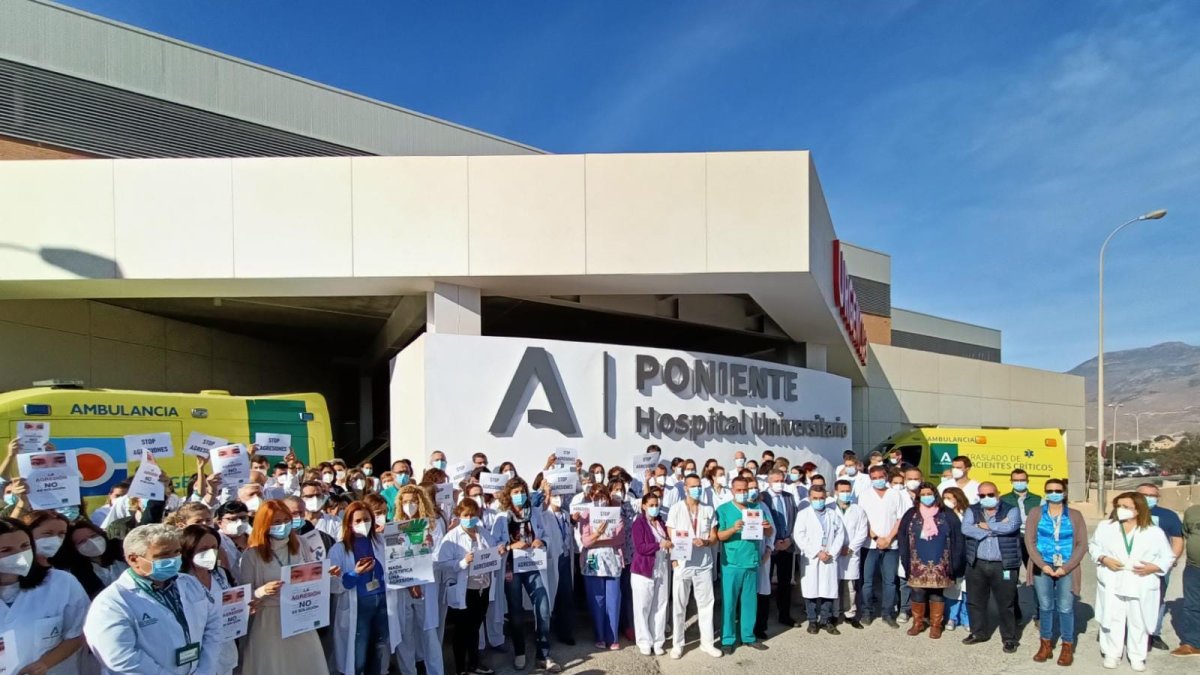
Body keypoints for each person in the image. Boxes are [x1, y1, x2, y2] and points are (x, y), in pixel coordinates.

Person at [85, 523, 222, 674]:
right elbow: (121, 658)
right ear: (133, 559)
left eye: (177, 552)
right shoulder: (111, 603)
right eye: (164, 555)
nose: (174, 559)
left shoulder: (190, 584)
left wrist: (205, 670)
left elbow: (213, 627)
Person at [238, 499, 333, 675]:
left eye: (286, 521)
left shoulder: (301, 544)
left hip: (300, 615)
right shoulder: (252, 555)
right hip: (270, 620)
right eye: (277, 522)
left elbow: (311, 574)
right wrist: (262, 591)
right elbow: (245, 595)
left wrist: (325, 573)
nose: (283, 526)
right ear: (265, 525)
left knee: (305, 664)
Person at [1090, 491, 1175, 671]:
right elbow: (1093, 546)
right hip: (1113, 578)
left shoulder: (1154, 532)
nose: (1121, 510)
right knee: (1112, 618)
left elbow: (1168, 556)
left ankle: (1137, 656)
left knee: (1139, 620)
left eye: (1126, 507)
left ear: (1138, 510)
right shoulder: (1106, 526)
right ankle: (1112, 653)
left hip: (1140, 581)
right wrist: (1103, 558)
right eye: (1118, 506)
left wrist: (1155, 567)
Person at [0, 516, 87, 674]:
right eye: (6, 550)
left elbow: (78, 633)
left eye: (25, 546)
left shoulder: (61, 583)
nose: (20, 555)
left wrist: (44, 664)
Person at [493, 479, 558, 673]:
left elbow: (545, 536)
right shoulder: (502, 517)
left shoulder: (534, 513)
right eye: (515, 492)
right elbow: (496, 545)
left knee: (543, 608)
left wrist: (541, 542)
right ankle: (520, 652)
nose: (519, 495)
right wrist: (511, 546)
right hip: (512, 569)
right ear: (508, 495)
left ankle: (543, 655)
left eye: (522, 491)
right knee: (515, 611)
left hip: (533, 565)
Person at [1025, 478, 1088, 666]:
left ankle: (1067, 646)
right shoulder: (1036, 513)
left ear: (1064, 492)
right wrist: (1042, 564)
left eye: (1057, 490)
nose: (1054, 493)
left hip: (1066, 566)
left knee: (1065, 607)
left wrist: (1065, 567)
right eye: (1050, 490)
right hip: (1042, 565)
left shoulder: (1075, 515)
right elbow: (1030, 541)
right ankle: (1045, 644)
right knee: (1045, 606)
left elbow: (1082, 544)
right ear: (1045, 492)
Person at [437, 498, 503, 675]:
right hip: (465, 589)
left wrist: (499, 551)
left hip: (484, 586)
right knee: (461, 631)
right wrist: (462, 562)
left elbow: (492, 550)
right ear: (459, 515)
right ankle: (460, 669)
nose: (470, 518)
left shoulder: (483, 532)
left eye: (473, 515)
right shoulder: (452, 537)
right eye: (466, 515)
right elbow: (441, 563)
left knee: (475, 627)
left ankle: (474, 664)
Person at [330, 501, 392, 675]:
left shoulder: (380, 541)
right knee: (359, 655)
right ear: (349, 523)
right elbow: (335, 585)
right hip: (358, 606)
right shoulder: (339, 549)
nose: (363, 524)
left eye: (366, 519)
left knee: (378, 649)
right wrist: (355, 573)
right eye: (357, 520)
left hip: (382, 602)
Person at [897, 482, 964, 640]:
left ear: (935, 495)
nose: (927, 497)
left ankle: (935, 625)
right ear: (919, 497)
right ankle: (918, 623)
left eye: (930, 494)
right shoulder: (911, 514)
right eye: (923, 494)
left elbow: (958, 539)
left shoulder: (946, 514)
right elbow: (902, 536)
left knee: (937, 593)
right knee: (917, 591)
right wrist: (904, 558)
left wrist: (956, 564)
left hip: (941, 561)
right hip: (917, 560)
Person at [961, 481, 1022, 653]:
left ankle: (1009, 638)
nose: (986, 498)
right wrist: (997, 528)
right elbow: (966, 528)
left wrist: (985, 526)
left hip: (1004, 564)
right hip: (977, 563)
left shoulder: (1011, 509)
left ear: (998, 493)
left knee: (1005, 602)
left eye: (990, 494)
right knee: (975, 601)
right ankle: (978, 632)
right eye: (982, 496)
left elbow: (1011, 526)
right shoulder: (972, 510)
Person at [715, 476, 773, 654]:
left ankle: (748, 636)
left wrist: (766, 526)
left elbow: (769, 532)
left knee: (749, 602)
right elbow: (719, 536)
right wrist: (733, 528)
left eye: (744, 490)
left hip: (751, 561)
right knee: (729, 603)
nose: (742, 493)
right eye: (738, 490)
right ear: (732, 491)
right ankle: (728, 639)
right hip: (731, 563)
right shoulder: (723, 510)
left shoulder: (756, 508)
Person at [666, 473, 721, 658]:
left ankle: (707, 643)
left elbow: (714, 537)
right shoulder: (676, 509)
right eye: (693, 486)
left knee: (706, 604)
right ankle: (678, 644)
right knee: (680, 605)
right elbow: (671, 536)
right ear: (685, 488)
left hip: (703, 564)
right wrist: (674, 560)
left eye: (699, 486)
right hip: (682, 564)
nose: (697, 489)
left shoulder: (708, 509)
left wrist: (705, 542)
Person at [392, 486, 445, 675]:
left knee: (429, 632)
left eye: (413, 501)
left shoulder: (432, 525)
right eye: (405, 502)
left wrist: (428, 547)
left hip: (427, 585)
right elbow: (394, 559)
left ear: (421, 501)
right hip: (403, 585)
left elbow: (440, 557)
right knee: (405, 632)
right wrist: (410, 583)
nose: (409, 505)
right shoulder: (394, 526)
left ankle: (436, 672)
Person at [179, 524, 239, 675]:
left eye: (214, 547)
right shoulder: (179, 581)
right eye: (203, 549)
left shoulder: (220, 574)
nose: (210, 553)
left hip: (225, 651)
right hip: (196, 657)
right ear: (188, 550)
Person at [1137, 482, 1185, 651]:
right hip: (1132, 566)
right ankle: (1129, 633)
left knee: (1158, 599)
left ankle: (1153, 634)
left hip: (1158, 567)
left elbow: (1178, 540)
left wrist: (1169, 562)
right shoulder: (1127, 513)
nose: (1149, 498)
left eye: (1153, 495)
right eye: (1145, 495)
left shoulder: (1168, 515)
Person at [794, 484, 846, 634]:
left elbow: (840, 534)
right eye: (815, 498)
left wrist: (831, 552)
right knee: (811, 590)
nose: (818, 501)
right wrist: (817, 552)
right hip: (812, 558)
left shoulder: (832, 513)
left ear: (826, 497)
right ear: (810, 498)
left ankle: (825, 620)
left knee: (827, 590)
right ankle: (812, 621)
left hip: (829, 557)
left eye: (821, 498)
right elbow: (799, 535)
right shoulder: (803, 514)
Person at [578, 483, 625, 650]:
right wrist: (597, 534)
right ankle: (599, 636)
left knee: (613, 599)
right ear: (591, 497)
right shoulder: (585, 515)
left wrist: (597, 539)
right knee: (596, 598)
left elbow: (619, 539)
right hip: (592, 559)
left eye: (602, 496)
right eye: (596, 497)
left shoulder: (615, 514)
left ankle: (612, 637)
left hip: (612, 559)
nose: (600, 500)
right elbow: (586, 541)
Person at [859, 464, 907, 627]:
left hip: (891, 545)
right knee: (867, 581)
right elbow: (862, 520)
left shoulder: (895, 494)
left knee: (890, 581)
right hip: (870, 544)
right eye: (874, 478)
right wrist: (877, 537)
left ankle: (888, 613)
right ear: (870, 479)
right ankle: (867, 612)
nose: (878, 480)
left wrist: (889, 538)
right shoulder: (864, 495)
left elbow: (900, 518)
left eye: (881, 477)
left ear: (886, 476)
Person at [630, 492, 671, 656]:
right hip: (643, 570)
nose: (655, 508)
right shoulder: (638, 523)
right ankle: (644, 641)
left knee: (660, 605)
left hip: (661, 567)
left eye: (657, 505)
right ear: (644, 506)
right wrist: (659, 544)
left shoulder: (661, 522)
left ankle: (658, 640)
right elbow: (640, 547)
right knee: (643, 607)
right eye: (651, 505)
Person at [760, 469, 798, 628]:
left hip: (787, 546)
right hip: (770, 547)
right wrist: (772, 541)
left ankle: (784, 615)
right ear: (769, 481)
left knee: (785, 583)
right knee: (765, 583)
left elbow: (796, 519)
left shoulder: (789, 497)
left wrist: (790, 540)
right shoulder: (763, 497)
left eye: (781, 480)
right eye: (776, 480)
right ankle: (762, 619)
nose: (779, 483)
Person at [57, 520, 127, 598]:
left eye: (93, 536)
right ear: (74, 549)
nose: (91, 542)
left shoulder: (122, 552)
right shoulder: (79, 575)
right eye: (81, 541)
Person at [833, 478, 868, 629]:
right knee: (833, 585)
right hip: (833, 552)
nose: (845, 494)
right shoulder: (830, 509)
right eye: (842, 491)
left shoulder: (858, 510)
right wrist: (836, 548)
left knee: (850, 586)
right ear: (836, 492)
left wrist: (851, 548)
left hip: (851, 553)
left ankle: (850, 614)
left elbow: (862, 532)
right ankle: (834, 614)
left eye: (848, 491)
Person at [940, 487, 971, 632]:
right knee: (952, 588)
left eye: (949, 498)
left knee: (966, 589)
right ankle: (952, 617)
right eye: (944, 497)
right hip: (949, 555)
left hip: (967, 554)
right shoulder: (942, 514)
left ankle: (966, 618)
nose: (946, 501)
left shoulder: (968, 514)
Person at [1172, 502, 1200, 657]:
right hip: (1194, 568)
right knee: (1192, 605)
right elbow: (1186, 535)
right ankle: (1192, 643)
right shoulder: (1193, 512)